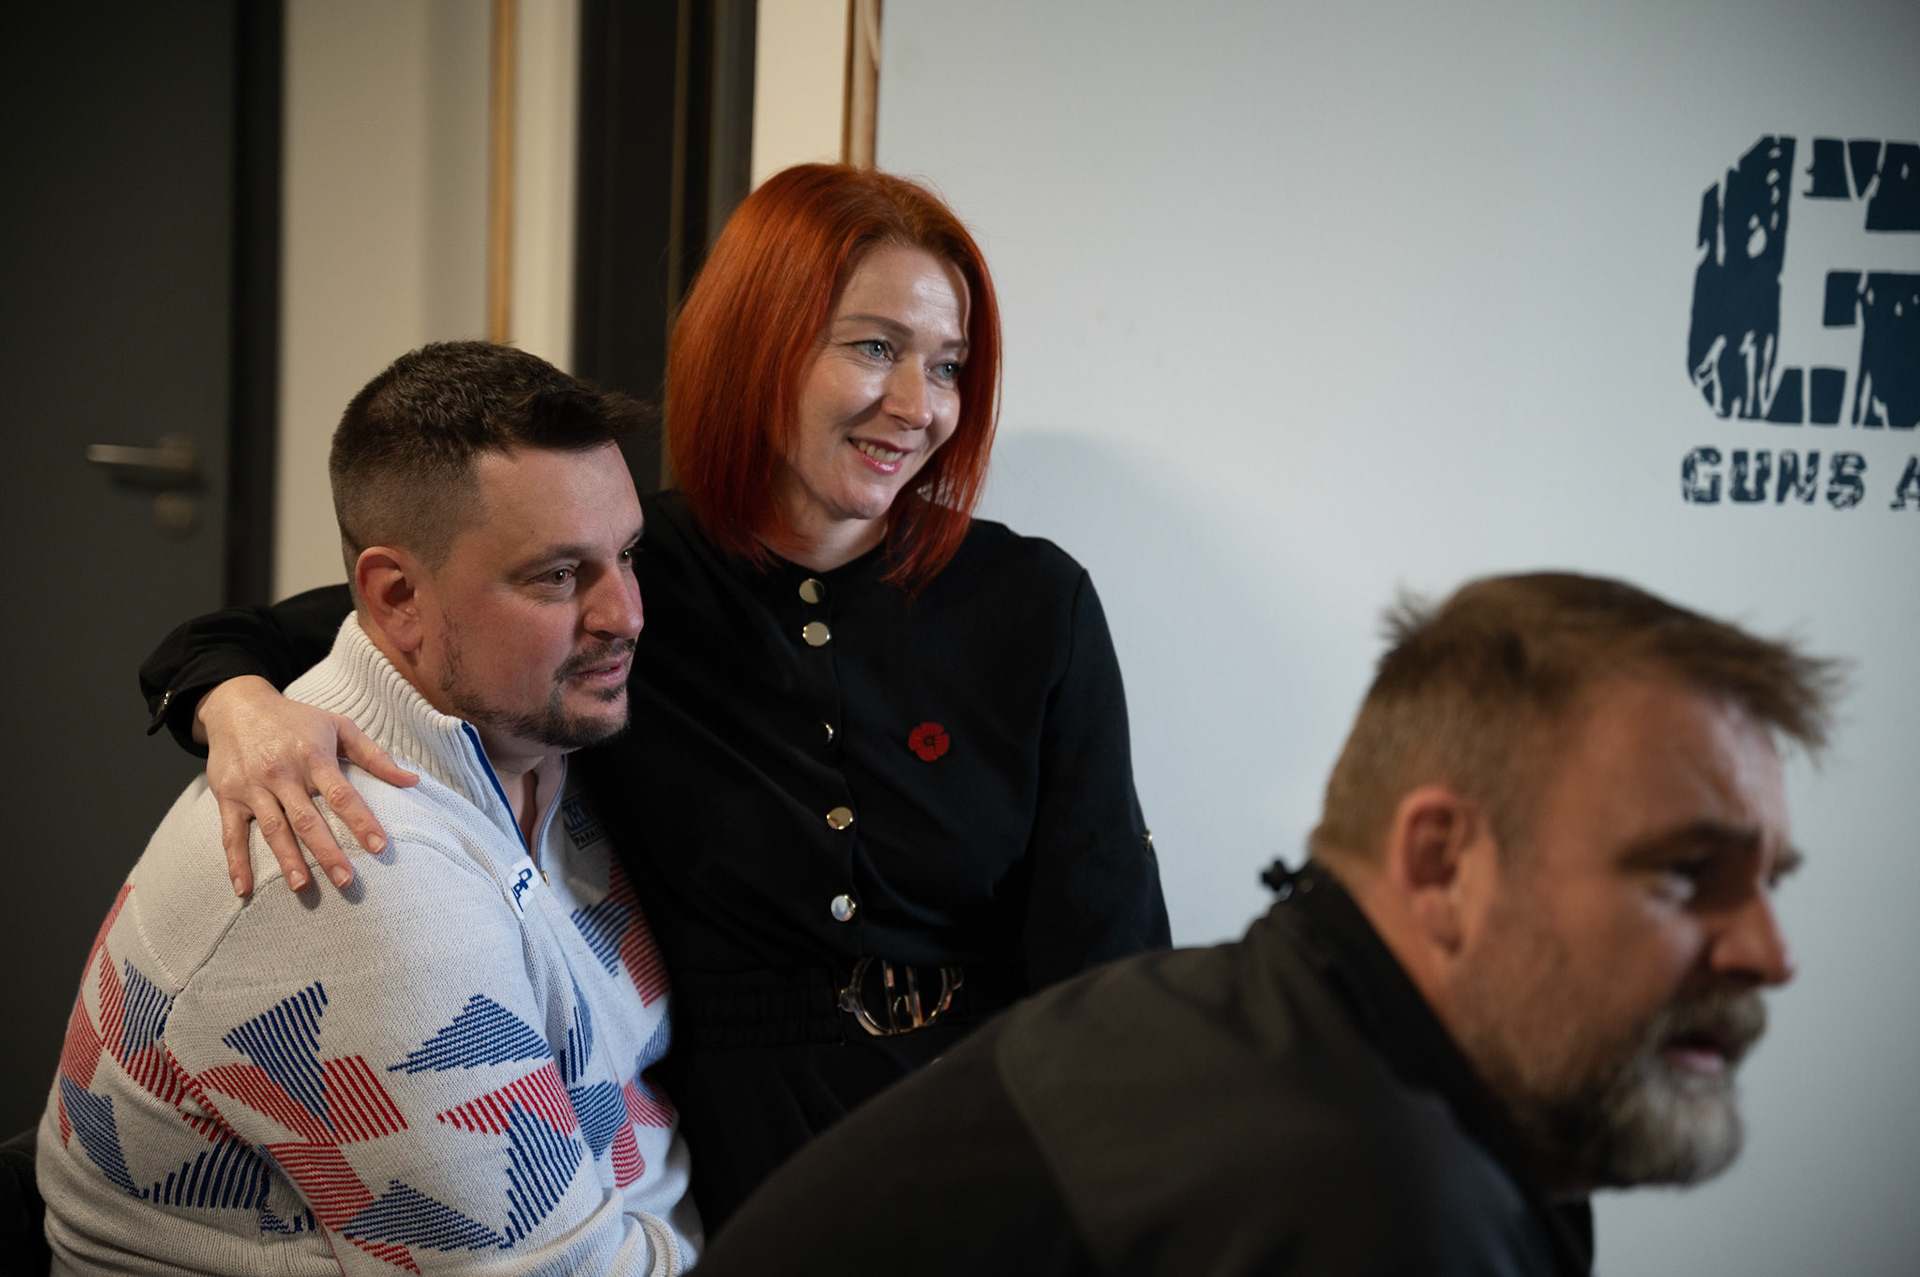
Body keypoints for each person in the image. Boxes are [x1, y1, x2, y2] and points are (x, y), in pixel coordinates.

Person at [136, 164, 1171, 1227]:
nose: (919, 406)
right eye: (874, 348)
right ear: (759, 344)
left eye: (947, 364)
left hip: (984, 1121)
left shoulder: (1032, 600)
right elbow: (259, 633)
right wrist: (237, 707)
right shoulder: (620, 582)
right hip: (726, 1152)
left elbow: (1107, 946)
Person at [690, 572, 1839, 1277]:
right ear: (1441, 861)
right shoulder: (1359, 1195)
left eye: (1770, 880)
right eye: (1684, 874)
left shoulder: (1255, 1019)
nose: (1770, 954)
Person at [41, 343, 700, 1274]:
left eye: (626, 555)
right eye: (557, 575)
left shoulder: (533, 740)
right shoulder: (352, 868)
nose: (625, 614)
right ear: (397, 598)